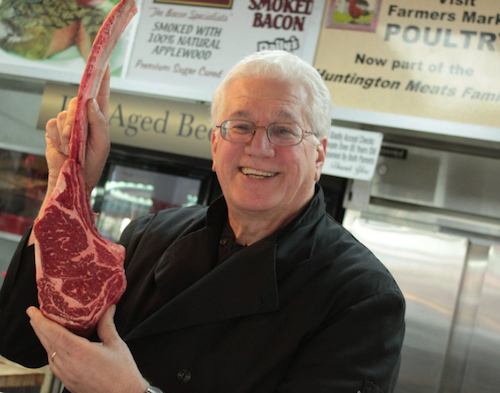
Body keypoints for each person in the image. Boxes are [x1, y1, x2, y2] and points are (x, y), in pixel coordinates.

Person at [0, 50, 405, 393]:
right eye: (240, 126)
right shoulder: (149, 236)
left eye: (284, 130)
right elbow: (23, 341)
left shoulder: (361, 297)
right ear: (215, 145)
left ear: (319, 156)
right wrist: (67, 186)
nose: (258, 148)